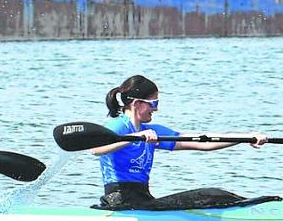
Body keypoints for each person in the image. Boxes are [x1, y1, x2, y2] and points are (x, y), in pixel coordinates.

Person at [89, 75, 272, 210]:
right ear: (137, 104)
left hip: (142, 199)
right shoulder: (118, 126)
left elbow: (203, 143)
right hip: (118, 201)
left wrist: (246, 137)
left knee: (214, 195)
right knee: (210, 196)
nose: (156, 109)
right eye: (153, 103)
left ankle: (254, 206)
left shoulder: (153, 131)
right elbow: (96, 149)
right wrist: (135, 138)